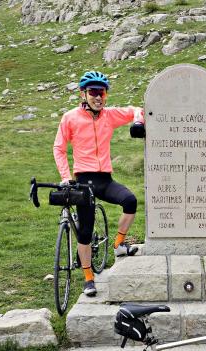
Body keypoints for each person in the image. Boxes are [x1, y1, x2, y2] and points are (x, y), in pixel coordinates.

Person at [53, 70, 145, 297]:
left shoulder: (109, 115)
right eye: (93, 92)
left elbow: (136, 109)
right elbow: (59, 148)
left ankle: (119, 246)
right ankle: (88, 279)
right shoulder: (70, 117)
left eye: (102, 92)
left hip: (105, 179)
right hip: (83, 181)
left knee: (130, 201)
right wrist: (66, 176)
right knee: (84, 232)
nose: (98, 97)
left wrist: (138, 120)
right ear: (83, 94)